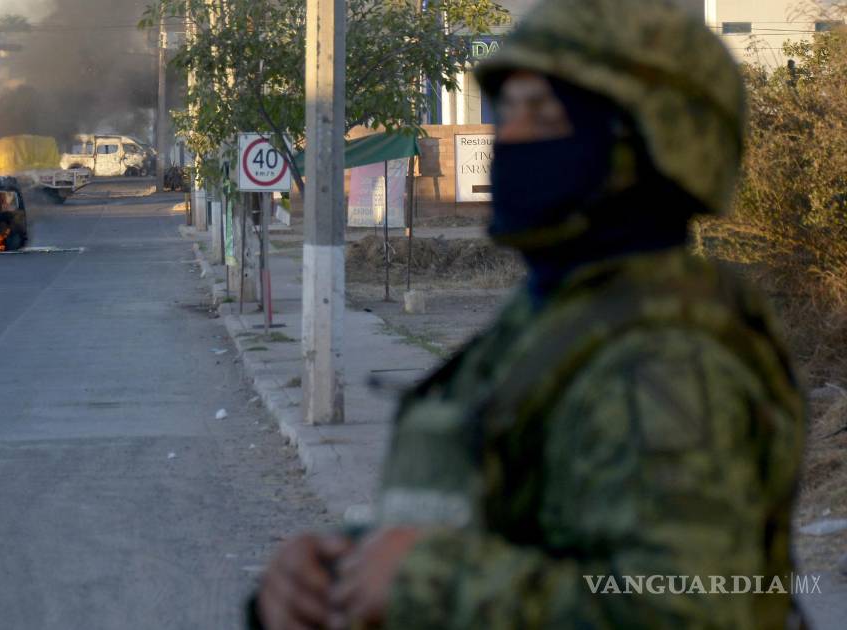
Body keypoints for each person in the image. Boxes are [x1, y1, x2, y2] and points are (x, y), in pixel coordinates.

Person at [252, 0, 808, 628]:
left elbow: (688, 605)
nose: (509, 137)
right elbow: (496, 526)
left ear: (652, 141)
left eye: (542, 113)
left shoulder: (674, 357)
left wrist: (429, 580)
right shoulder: (556, 319)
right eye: (508, 109)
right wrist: (335, 572)